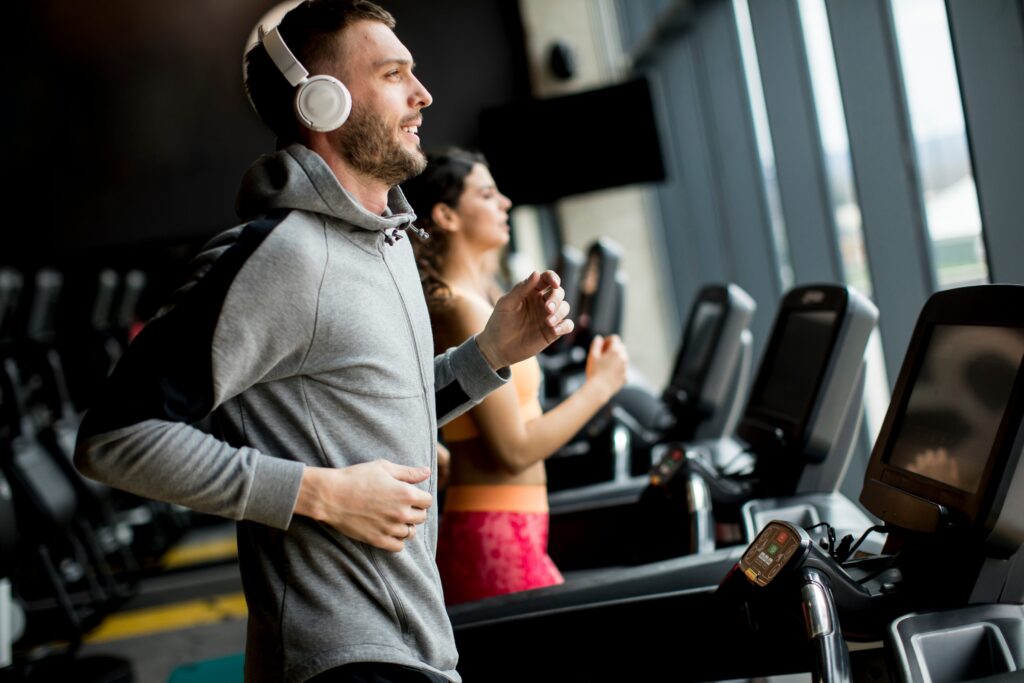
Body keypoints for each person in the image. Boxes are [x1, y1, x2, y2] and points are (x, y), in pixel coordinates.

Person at [73, 3, 573, 682]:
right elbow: (115, 437)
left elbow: (375, 414)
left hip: (415, 642)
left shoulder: (389, 244)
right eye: (394, 74)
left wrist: (489, 354)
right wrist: (320, 493)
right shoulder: (280, 258)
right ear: (322, 100)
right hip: (342, 659)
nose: (423, 94)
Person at [402, 149, 629, 605]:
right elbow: (514, 450)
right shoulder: (460, 306)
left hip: (512, 528)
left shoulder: (480, 297)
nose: (505, 203)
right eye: (487, 194)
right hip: (495, 536)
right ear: (446, 215)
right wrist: (599, 387)